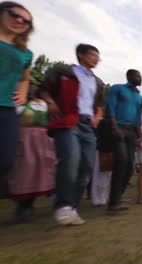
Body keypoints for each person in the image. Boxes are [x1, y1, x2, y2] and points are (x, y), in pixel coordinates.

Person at [40, 43, 105, 225]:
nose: (96, 59)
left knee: (86, 167)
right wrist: (50, 102)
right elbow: (43, 89)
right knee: (70, 158)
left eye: (98, 56)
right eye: (93, 55)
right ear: (80, 55)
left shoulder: (97, 82)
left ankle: (72, 207)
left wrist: (97, 117)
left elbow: (99, 105)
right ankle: (63, 205)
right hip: (67, 121)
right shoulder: (64, 71)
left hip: (88, 126)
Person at [0, 1, 34, 198]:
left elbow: (24, 77)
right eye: (14, 15)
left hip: (7, 109)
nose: (19, 21)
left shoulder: (25, 53)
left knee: (5, 160)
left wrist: (22, 92)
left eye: (26, 21)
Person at [7, 87, 56, 222]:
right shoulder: (22, 107)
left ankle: (29, 204)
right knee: (26, 170)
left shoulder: (48, 107)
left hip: (44, 140)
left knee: (41, 171)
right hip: (26, 140)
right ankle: (23, 205)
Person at [106, 69, 142, 211]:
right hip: (118, 128)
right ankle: (113, 202)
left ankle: (117, 197)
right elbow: (110, 107)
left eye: (141, 76)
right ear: (129, 76)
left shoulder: (140, 98)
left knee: (130, 166)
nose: (140, 78)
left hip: (132, 132)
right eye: (138, 76)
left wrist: (140, 136)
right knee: (121, 161)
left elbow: (138, 119)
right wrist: (114, 127)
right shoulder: (117, 88)